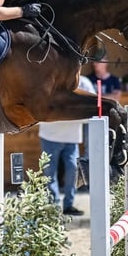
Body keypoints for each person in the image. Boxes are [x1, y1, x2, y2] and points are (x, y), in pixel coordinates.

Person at [38, 75, 95, 216]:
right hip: (49, 136)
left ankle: (69, 205)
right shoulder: (50, 80)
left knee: (73, 170)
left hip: (72, 138)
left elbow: (94, 105)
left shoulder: (85, 83)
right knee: (49, 173)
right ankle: (54, 206)